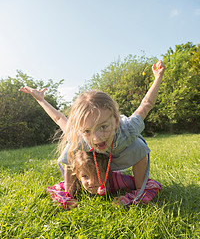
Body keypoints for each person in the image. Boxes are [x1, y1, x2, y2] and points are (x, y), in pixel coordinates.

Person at [19, 60, 166, 197]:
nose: (97, 138)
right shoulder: (80, 136)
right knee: (70, 150)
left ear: (115, 121)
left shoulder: (128, 129)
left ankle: (139, 191)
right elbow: (59, 118)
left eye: (103, 127)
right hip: (96, 158)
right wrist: (41, 99)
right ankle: (68, 194)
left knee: (139, 147)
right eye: (87, 131)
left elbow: (146, 104)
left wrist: (158, 78)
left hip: (121, 153)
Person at [46, 151, 162, 209]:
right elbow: (52, 189)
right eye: (85, 176)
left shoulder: (117, 180)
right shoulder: (77, 184)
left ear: (107, 172)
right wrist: (66, 200)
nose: (91, 182)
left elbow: (153, 185)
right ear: (77, 175)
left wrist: (128, 199)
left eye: (97, 175)